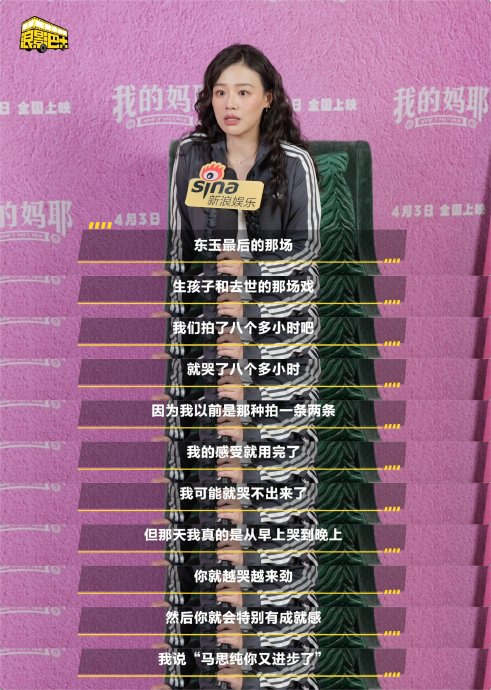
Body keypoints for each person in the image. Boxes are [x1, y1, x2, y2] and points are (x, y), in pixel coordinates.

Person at [169, 42, 321, 282]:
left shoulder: (294, 161)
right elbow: (181, 243)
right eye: (221, 93)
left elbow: (306, 248)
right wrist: (175, 296)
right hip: (216, 293)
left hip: (278, 294)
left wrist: (248, 270)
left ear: (268, 99)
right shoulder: (191, 152)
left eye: (243, 93)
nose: (230, 104)